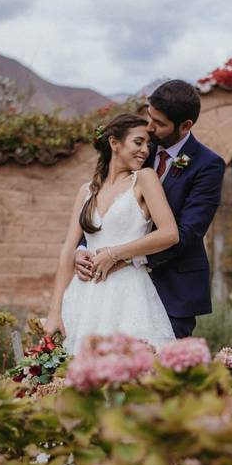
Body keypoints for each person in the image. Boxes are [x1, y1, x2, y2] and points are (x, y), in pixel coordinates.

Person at [75, 80, 226, 338]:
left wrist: (123, 257)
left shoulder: (208, 165)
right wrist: (82, 248)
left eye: (160, 123)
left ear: (186, 125)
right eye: (149, 115)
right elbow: (104, 198)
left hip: (172, 289)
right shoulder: (140, 146)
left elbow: (188, 234)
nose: (150, 127)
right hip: (110, 288)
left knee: (158, 371)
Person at [45, 113, 179, 354]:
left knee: (131, 372)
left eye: (148, 145)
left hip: (127, 292)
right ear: (114, 143)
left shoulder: (144, 179)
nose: (145, 151)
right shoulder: (86, 191)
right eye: (138, 142)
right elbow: (68, 249)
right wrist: (54, 312)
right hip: (83, 295)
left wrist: (115, 254)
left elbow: (169, 233)